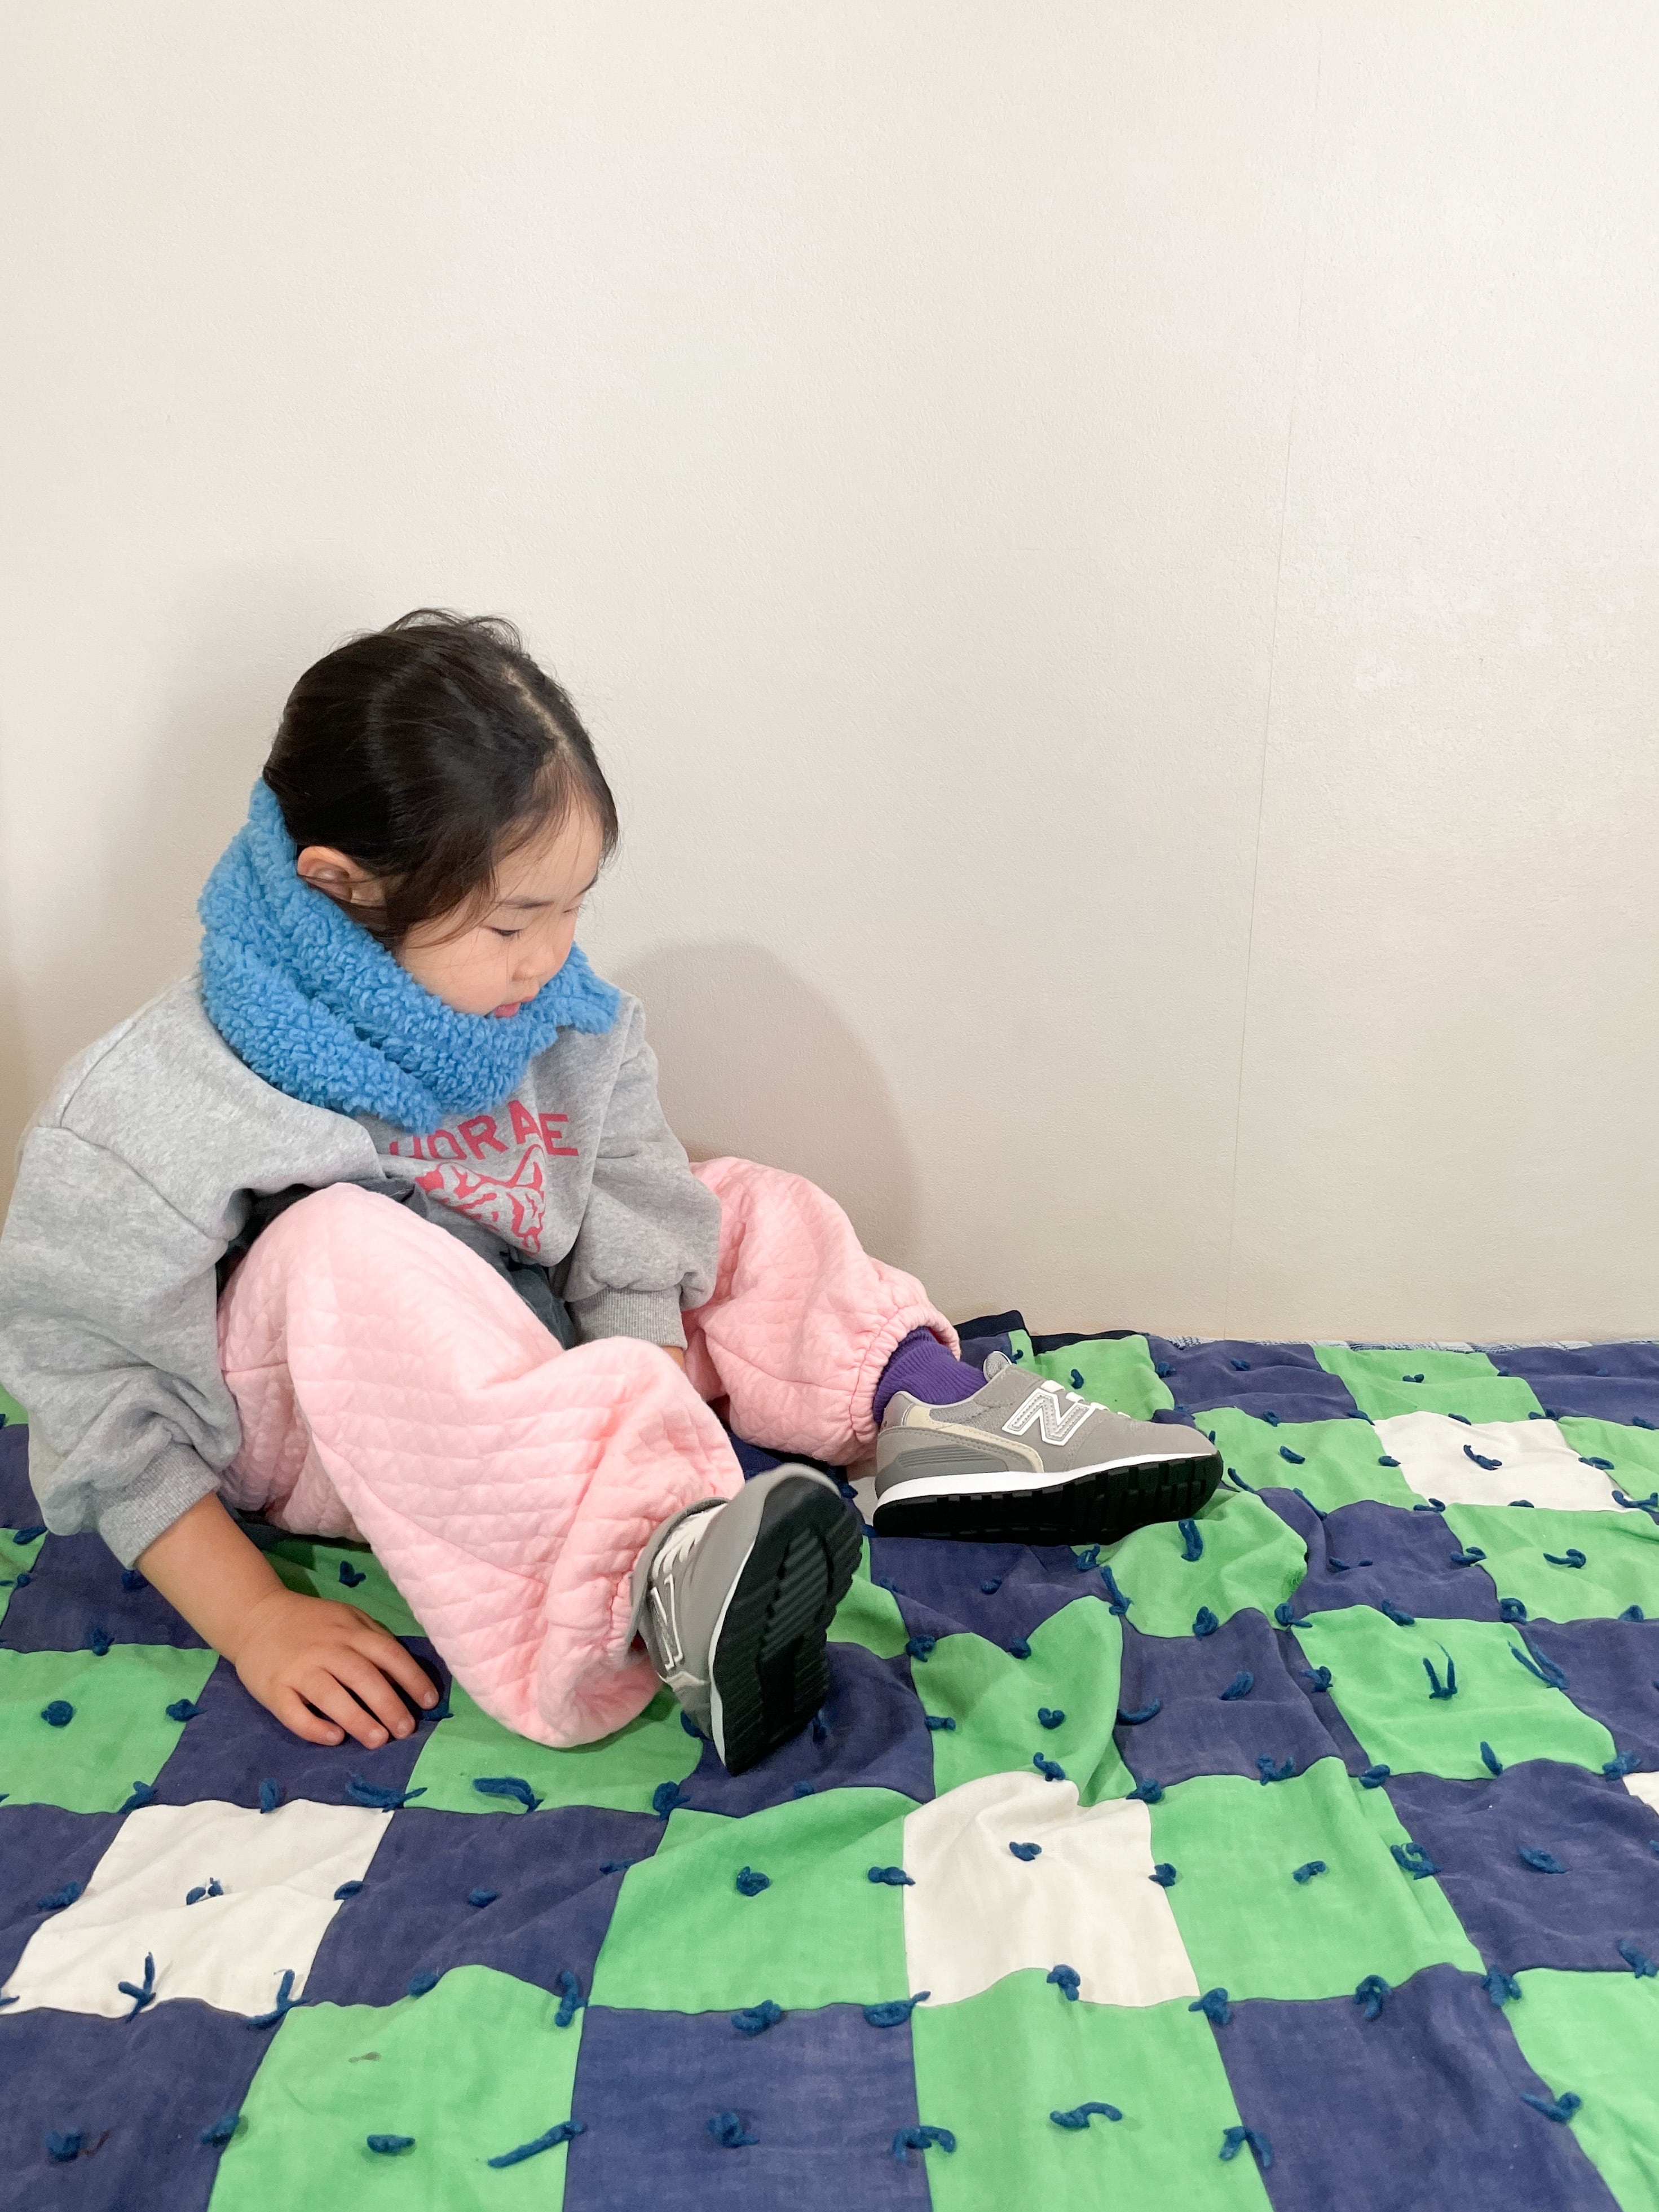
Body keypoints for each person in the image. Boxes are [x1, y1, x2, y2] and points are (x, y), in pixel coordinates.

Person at [0, 612, 1217, 1773]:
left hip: (540, 1357)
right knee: (335, 1240)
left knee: (726, 1201)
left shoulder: (567, 1017)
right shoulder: (155, 1098)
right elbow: (94, 1395)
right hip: (348, 1416)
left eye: (574, 906)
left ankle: (928, 1413)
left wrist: (650, 1381)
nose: (551, 956)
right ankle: (660, 1567)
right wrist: (255, 1616)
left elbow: (634, 1216)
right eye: (511, 923)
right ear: (344, 888)